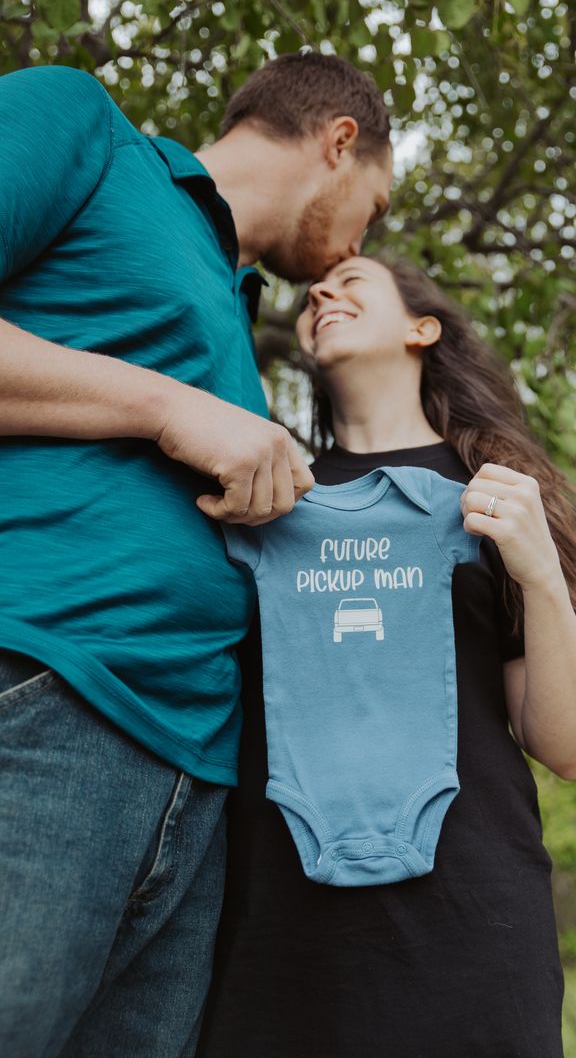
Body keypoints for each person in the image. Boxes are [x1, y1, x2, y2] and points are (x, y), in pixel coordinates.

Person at [0, 54, 391, 1058]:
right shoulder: (82, 126)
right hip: (51, 693)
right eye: (371, 212)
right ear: (339, 144)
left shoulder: (231, 301)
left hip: (197, 784)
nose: (360, 245)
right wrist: (169, 407)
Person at [198, 255, 576, 1058]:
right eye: (313, 289)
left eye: (352, 282)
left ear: (421, 329)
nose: (321, 292)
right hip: (277, 932)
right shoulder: (266, 494)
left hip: (470, 927)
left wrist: (541, 577)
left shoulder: (498, 492)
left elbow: (573, 747)